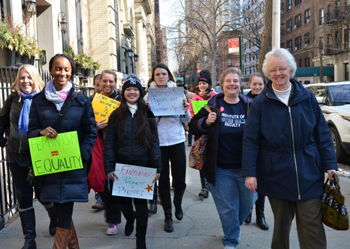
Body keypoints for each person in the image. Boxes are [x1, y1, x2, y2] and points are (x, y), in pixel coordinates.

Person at [242, 48, 338, 249]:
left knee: (312, 226)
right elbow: (250, 140)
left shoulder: (307, 97)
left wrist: (330, 164)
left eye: (282, 68)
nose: (278, 73)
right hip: (276, 173)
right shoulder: (260, 103)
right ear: (268, 73)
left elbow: (322, 133)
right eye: (274, 69)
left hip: (309, 172)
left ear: (291, 70)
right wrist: (250, 173)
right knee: (281, 227)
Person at [28, 54, 97, 248]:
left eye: (66, 69)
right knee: (60, 213)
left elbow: (91, 133)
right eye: (58, 68)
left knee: (65, 212)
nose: (62, 73)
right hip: (49, 166)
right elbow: (31, 131)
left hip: (72, 166)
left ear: (71, 72)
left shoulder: (81, 101)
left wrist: (81, 156)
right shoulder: (39, 101)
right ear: (50, 70)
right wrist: (40, 132)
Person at [189, 67, 256, 249]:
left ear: (240, 84)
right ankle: (231, 240)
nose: (232, 84)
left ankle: (233, 227)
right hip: (220, 168)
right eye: (228, 81)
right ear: (222, 84)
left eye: (235, 81)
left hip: (246, 168)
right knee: (228, 208)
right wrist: (205, 122)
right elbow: (193, 126)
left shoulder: (249, 105)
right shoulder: (211, 104)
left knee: (247, 204)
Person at [0, 64, 56, 249]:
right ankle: (29, 239)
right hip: (15, 155)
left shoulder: (44, 100)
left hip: (38, 155)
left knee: (42, 195)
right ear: (18, 80)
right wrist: (2, 140)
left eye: (29, 77)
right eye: (22, 78)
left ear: (35, 79)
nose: (25, 81)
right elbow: (1, 121)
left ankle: (53, 216)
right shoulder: (12, 100)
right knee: (23, 196)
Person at [104, 74, 161, 249]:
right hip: (121, 168)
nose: (132, 92)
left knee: (141, 205)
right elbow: (109, 143)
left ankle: (140, 240)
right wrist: (109, 167)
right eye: (128, 89)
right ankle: (130, 218)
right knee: (123, 203)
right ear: (124, 92)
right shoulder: (115, 115)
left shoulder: (147, 113)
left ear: (140, 92)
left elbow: (154, 142)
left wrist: (157, 167)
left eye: (135, 89)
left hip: (143, 167)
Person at [145, 63, 191, 233]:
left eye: (164, 73)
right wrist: (149, 112)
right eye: (157, 74)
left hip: (177, 140)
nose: (161, 77)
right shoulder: (148, 96)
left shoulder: (178, 94)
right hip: (158, 143)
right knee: (162, 181)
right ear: (153, 76)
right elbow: (144, 123)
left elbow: (187, 121)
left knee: (179, 179)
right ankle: (168, 216)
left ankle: (177, 202)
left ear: (169, 75)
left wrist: (185, 110)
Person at [88, 70, 122, 235]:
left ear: (115, 83)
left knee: (115, 183)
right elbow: (82, 123)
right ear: (99, 83)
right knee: (102, 182)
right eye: (104, 81)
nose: (108, 85)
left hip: (117, 147)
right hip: (98, 146)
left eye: (111, 81)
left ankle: (112, 219)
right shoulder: (90, 102)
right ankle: (109, 209)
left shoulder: (121, 100)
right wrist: (94, 126)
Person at [243, 72, 269, 230]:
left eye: (260, 84)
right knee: (249, 180)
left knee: (261, 184)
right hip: (249, 145)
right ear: (249, 85)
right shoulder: (244, 101)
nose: (257, 87)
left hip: (265, 147)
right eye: (255, 84)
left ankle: (261, 214)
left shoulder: (269, 100)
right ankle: (248, 209)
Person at [188, 70, 217, 199]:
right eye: (200, 84)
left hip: (214, 133)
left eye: (204, 84)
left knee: (213, 158)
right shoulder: (194, 100)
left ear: (209, 84)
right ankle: (204, 186)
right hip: (200, 134)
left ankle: (212, 182)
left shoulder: (216, 97)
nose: (202, 86)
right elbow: (192, 116)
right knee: (201, 159)